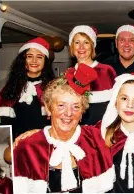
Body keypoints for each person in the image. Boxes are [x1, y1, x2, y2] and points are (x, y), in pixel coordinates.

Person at [13, 63, 115, 193]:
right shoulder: (29, 147)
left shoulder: (96, 140)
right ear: (49, 109)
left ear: (82, 112)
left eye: (76, 107)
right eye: (61, 105)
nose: (68, 113)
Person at [0, 37, 54, 139]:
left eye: (39, 57)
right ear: (23, 60)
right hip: (19, 144)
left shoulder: (54, 88)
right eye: (29, 56)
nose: (34, 61)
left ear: (45, 61)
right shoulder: (11, 88)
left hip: (47, 144)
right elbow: (5, 127)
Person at [68, 25, 117, 125]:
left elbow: (117, 104)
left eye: (86, 42)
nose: (81, 47)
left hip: (104, 129)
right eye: (77, 42)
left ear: (92, 46)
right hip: (75, 131)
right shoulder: (67, 74)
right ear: (72, 47)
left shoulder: (107, 71)